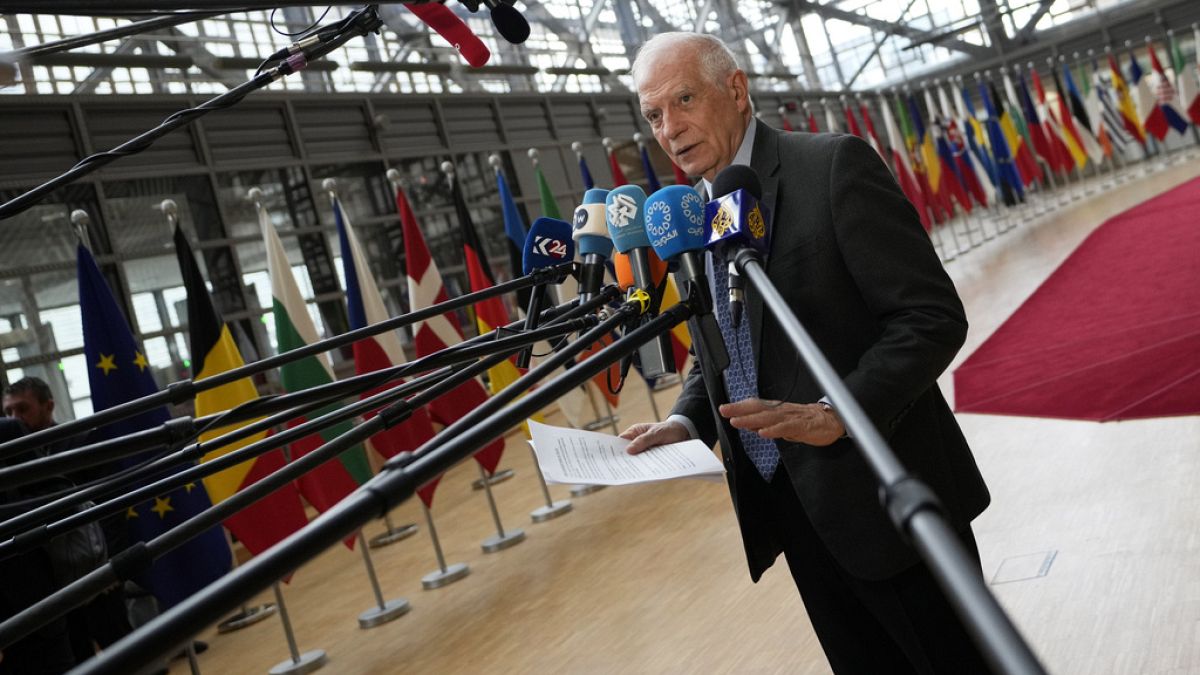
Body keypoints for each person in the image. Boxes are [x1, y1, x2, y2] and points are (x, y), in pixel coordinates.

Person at [620, 33, 992, 674]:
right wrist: (685, 421)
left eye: (683, 100)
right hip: (793, 511)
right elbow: (726, 338)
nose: (670, 128)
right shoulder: (698, 211)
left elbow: (930, 317)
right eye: (654, 115)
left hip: (886, 498)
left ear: (735, 90)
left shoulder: (832, 167)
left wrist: (837, 409)